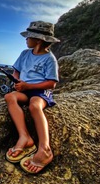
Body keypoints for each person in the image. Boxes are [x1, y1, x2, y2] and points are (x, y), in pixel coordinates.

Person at [4, 21, 60, 174]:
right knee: (10, 97)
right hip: (25, 89)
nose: (26, 39)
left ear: (39, 40)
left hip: (40, 91)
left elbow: (51, 84)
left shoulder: (50, 59)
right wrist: (16, 81)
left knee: (34, 106)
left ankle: (45, 149)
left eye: (29, 37)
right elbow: (16, 71)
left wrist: (29, 87)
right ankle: (25, 137)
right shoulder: (24, 54)